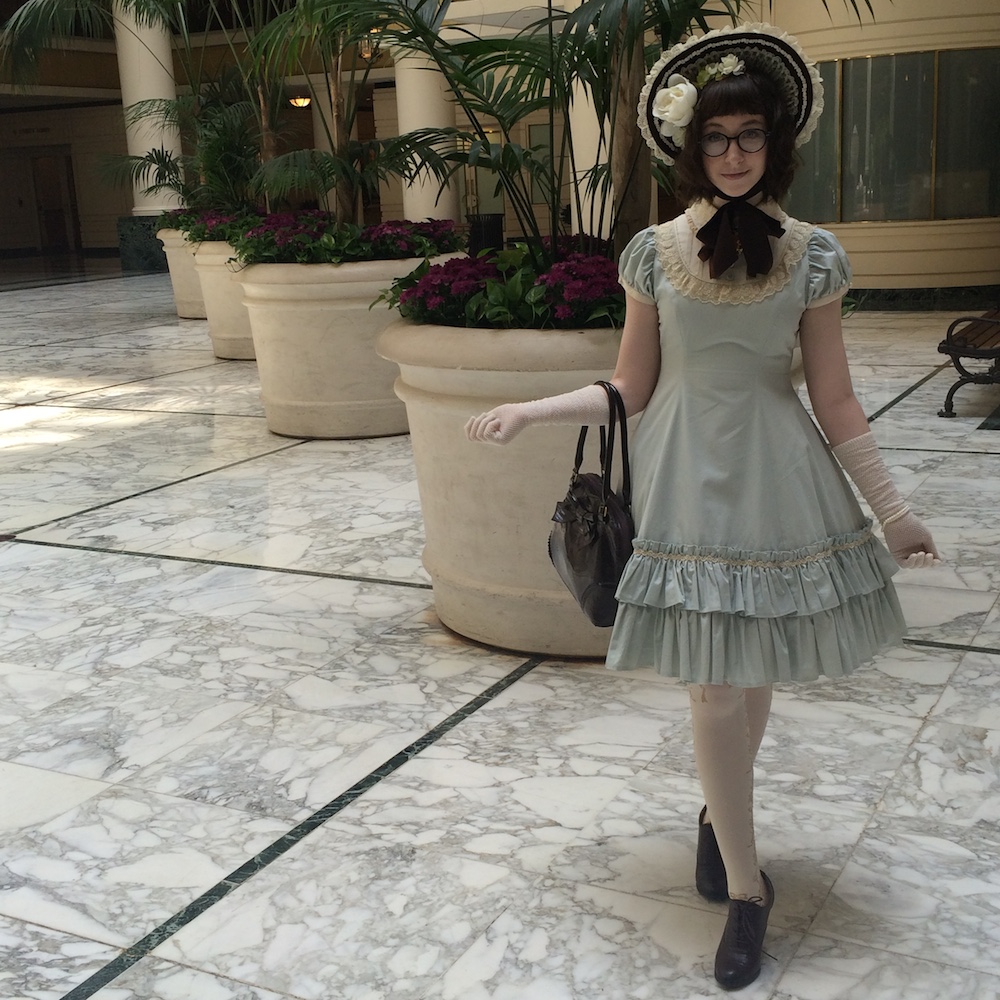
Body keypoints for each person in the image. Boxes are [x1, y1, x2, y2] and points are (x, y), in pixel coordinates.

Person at [466, 22, 941, 992]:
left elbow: (836, 397)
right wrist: (533, 410)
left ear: (776, 142)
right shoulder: (654, 253)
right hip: (683, 475)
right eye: (716, 138)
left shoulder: (811, 256)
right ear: (691, 146)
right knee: (715, 689)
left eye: (749, 136)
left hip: (778, 478)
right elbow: (630, 387)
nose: (733, 154)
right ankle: (747, 888)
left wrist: (893, 511)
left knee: (748, 671)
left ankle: (720, 822)